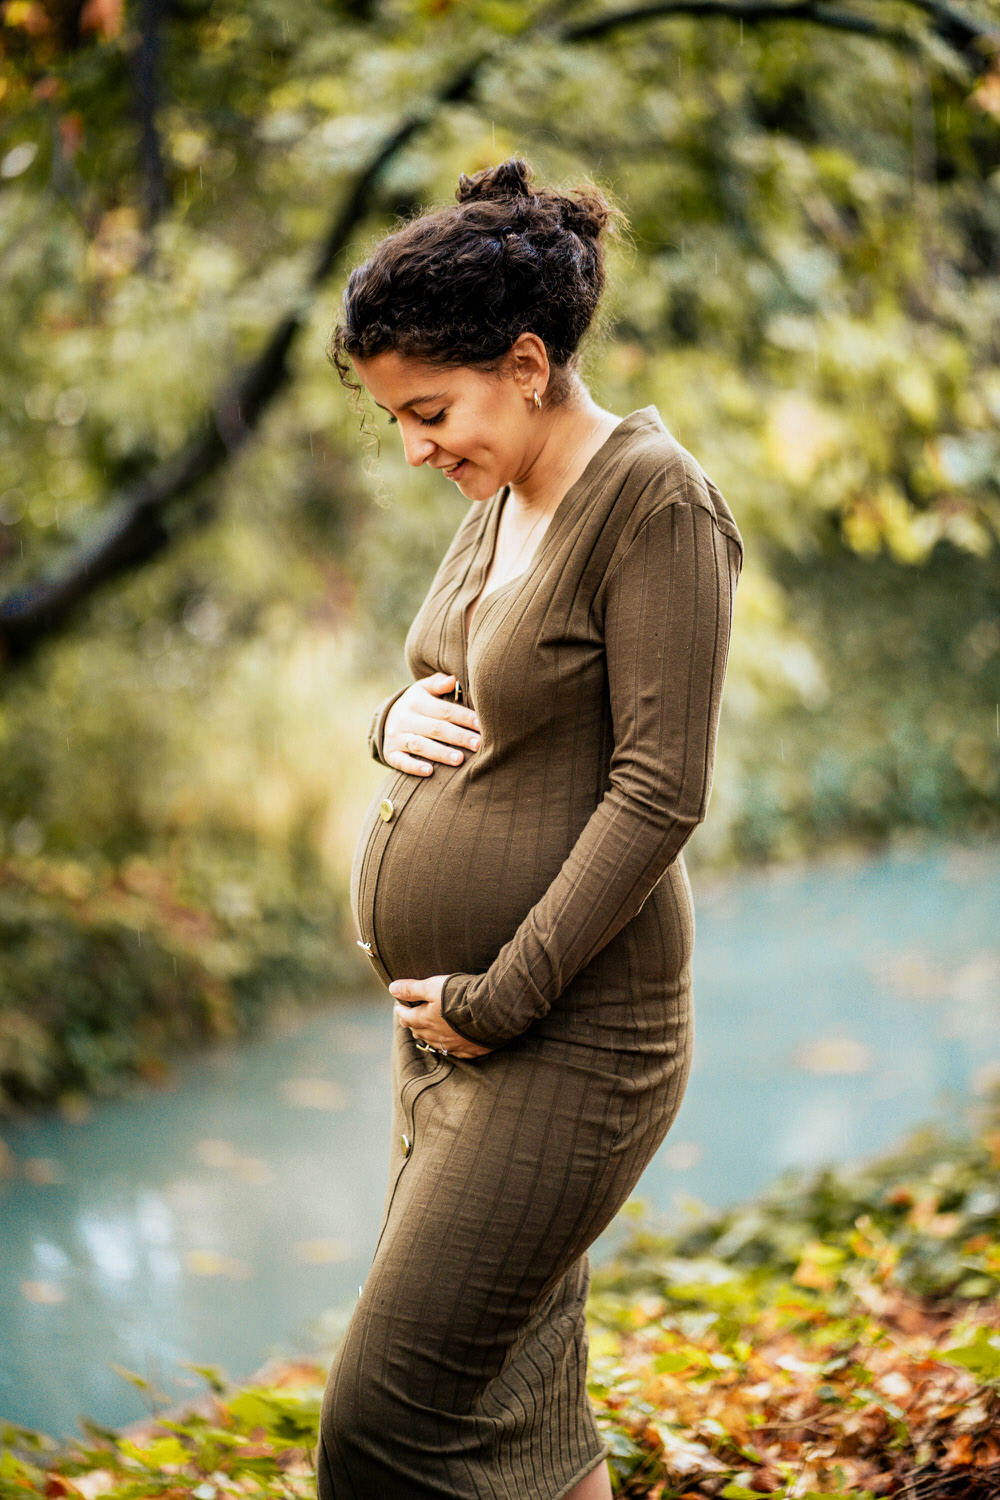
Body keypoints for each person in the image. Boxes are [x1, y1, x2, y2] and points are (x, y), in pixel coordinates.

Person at [318, 158, 742, 1500]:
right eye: (396, 418)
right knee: (508, 1405)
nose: (415, 449)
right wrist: (390, 723)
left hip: (568, 1030)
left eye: (430, 411)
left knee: (382, 1419)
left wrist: (501, 999)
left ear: (526, 361)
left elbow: (661, 791)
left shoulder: (654, 503)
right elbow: (451, 679)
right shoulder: (500, 497)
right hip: (455, 1027)